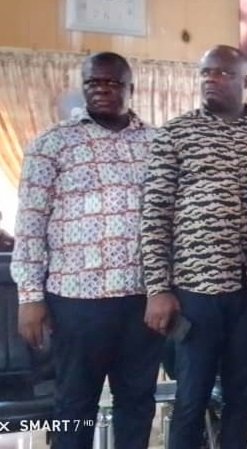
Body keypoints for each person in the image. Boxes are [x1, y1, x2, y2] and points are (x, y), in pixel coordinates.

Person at [12, 52, 162, 449]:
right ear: (84, 87)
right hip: (76, 302)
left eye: (113, 83)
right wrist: (30, 298)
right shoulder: (52, 144)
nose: (102, 89)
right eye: (94, 82)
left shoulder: (158, 144)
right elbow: (29, 224)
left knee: (137, 402)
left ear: (131, 89)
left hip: (141, 301)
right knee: (74, 405)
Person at [141, 45, 247, 449]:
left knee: (242, 395)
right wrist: (158, 288)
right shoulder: (175, 134)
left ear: (246, 81)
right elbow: (155, 214)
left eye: (222, 73)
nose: (210, 80)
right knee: (191, 397)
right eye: (205, 73)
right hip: (195, 292)